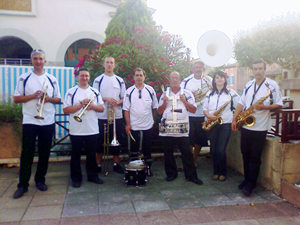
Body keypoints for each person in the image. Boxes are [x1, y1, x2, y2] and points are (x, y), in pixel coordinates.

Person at [13, 49, 61, 199]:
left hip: (47, 119)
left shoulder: (52, 79)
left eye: (41, 59)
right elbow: (16, 99)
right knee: (26, 153)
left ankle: (40, 180)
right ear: (31, 60)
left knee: (44, 152)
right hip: (30, 120)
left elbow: (58, 99)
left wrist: (48, 99)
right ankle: (23, 185)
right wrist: (33, 96)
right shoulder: (24, 78)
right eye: (35, 58)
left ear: (45, 61)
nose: (38, 61)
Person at [232, 59, 282, 196]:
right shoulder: (249, 84)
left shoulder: (272, 85)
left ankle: (250, 184)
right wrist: (235, 119)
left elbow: (279, 104)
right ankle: (247, 179)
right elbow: (241, 103)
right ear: (252, 71)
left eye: (260, 68)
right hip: (246, 126)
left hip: (260, 127)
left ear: (264, 69)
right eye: (255, 69)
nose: (258, 71)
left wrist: (263, 107)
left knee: (255, 157)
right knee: (245, 154)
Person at [157, 71, 203, 185]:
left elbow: (193, 110)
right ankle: (171, 174)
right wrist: (164, 103)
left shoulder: (187, 93)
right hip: (167, 127)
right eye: (172, 78)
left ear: (180, 80)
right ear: (169, 80)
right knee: (168, 152)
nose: (174, 80)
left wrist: (184, 101)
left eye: (176, 78)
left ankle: (191, 175)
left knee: (187, 152)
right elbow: (159, 111)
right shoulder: (164, 94)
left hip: (182, 128)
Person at [63, 68, 105, 188]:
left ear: (89, 77)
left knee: (91, 154)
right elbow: (66, 110)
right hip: (76, 129)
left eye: (86, 76)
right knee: (75, 155)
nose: (84, 78)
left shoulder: (95, 92)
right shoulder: (71, 92)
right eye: (82, 76)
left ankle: (92, 176)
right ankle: (76, 178)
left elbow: (102, 108)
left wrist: (92, 106)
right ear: (77, 77)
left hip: (92, 128)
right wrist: (81, 105)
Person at [203, 71, 239, 181]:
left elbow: (239, 106)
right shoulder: (209, 93)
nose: (219, 79)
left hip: (225, 124)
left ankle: (223, 172)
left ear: (225, 79)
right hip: (212, 123)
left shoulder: (231, 93)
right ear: (214, 80)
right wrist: (209, 116)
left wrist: (234, 119)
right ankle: (216, 172)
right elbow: (205, 108)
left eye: (221, 77)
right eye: (217, 77)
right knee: (213, 149)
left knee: (221, 150)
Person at [92, 56, 126, 174]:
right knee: (99, 141)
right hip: (101, 115)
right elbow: (94, 97)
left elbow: (124, 98)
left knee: (116, 140)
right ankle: (98, 164)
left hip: (116, 115)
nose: (109, 65)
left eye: (112, 62)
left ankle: (116, 164)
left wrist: (117, 102)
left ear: (114, 65)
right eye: (107, 62)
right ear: (104, 64)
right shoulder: (98, 80)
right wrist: (106, 98)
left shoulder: (120, 80)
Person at [123, 68, 158, 176]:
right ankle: (135, 170)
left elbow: (154, 107)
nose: (139, 77)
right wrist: (128, 125)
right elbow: (126, 109)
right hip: (134, 125)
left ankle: (147, 169)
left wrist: (153, 121)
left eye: (141, 75)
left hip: (147, 125)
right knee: (134, 149)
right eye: (137, 75)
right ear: (133, 77)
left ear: (144, 77)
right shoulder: (129, 91)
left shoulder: (150, 90)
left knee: (147, 148)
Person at [180, 61, 212, 167]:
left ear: (203, 69)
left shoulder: (209, 80)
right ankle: (188, 160)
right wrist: (190, 96)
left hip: (202, 114)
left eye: (200, 67)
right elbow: (180, 94)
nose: (198, 69)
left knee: (200, 139)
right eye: (196, 67)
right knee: (188, 139)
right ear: (193, 69)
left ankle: (194, 160)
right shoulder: (186, 81)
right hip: (188, 114)